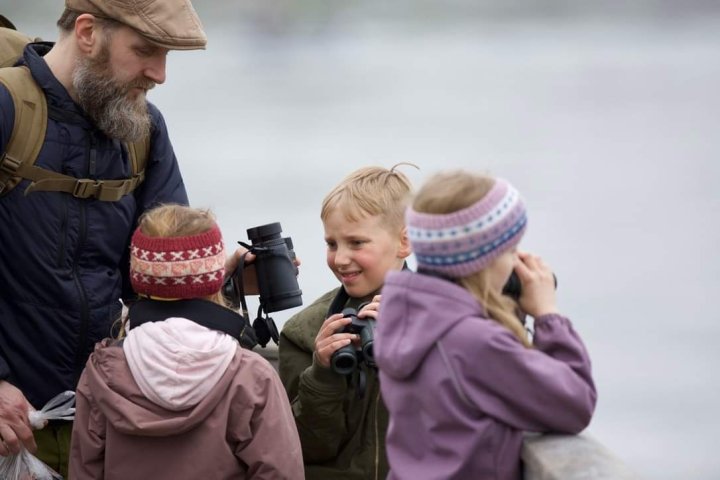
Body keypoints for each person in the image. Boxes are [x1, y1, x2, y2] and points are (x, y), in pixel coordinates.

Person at [0, 0, 218, 475]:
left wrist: (216, 277)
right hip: (9, 425)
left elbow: (152, 281)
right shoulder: (5, 107)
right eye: (145, 51)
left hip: (105, 420)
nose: (159, 74)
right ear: (86, 32)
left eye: (167, 57)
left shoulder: (143, 127)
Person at [374, 170, 598, 480]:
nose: (516, 261)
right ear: (482, 261)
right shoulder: (474, 342)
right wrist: (548, 316)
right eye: (509, 251)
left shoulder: (401, 318)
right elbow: (575, 403)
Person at [69, 204, 303, 479]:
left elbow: (85, 472)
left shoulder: (102, 372)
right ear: (216, 280)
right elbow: (280, 473)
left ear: (138, 278)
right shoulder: (251, 376)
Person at [278, 165, 413, 479]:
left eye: (356, 243)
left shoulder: (443, 317)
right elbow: (305, 448)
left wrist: (421, 337)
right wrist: (323, 376)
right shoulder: (305, 331)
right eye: (332, 244)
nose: (339, 259)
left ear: (404, 242)